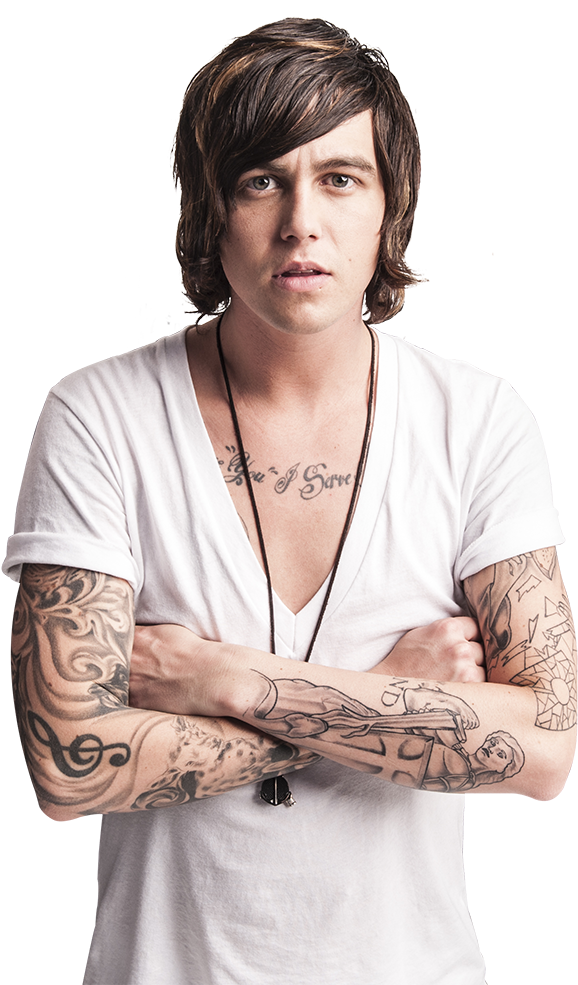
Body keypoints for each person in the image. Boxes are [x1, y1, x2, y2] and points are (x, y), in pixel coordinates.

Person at [5, 17, 575, 985]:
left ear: (389, 206)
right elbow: (69, 764)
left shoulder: (476, 419)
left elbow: (541, 750)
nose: (300, 221)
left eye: (340, 178)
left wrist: (226, 678)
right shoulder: (98, 413)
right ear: (210, 208)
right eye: (260, 180)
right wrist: (387, 691)